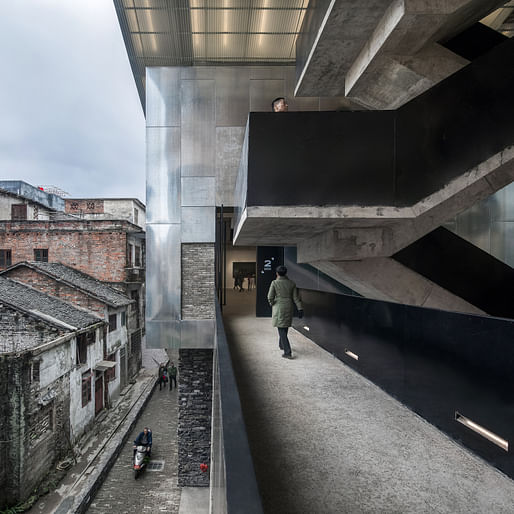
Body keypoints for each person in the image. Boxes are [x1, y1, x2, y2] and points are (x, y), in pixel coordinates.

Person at [267, 265, 303, 359]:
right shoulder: (292, 283)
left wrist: (272, 303)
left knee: (281, 329)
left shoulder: (274, 283)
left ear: (277, 273)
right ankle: (282, 345)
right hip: (289, 306)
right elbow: (296, 298)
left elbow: (270, 297)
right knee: (285, 325)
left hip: (279, 307)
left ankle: (287, 352)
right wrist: (300, 308)